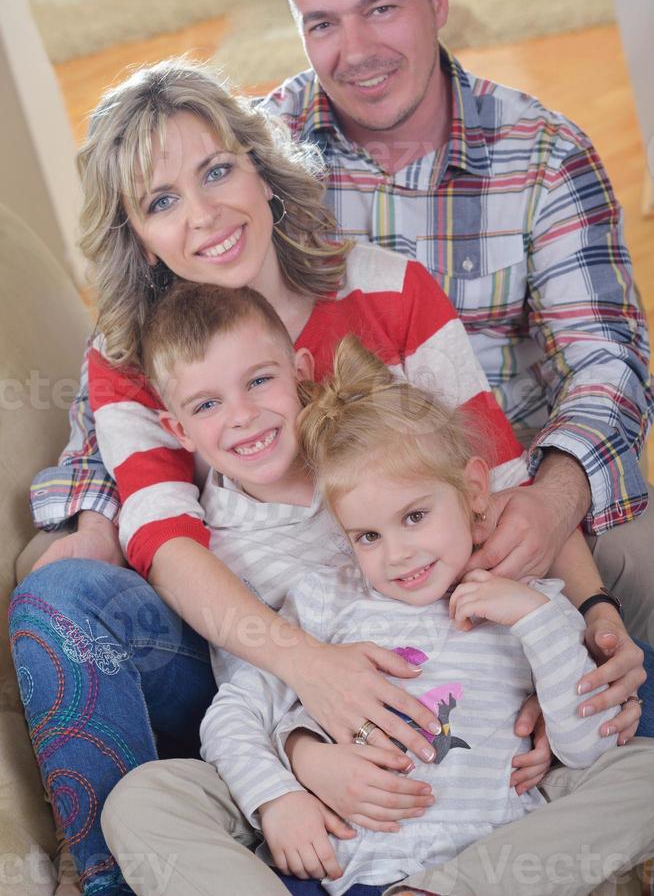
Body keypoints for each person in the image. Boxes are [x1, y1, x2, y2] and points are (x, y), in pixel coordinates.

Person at [12, 57, 616, 895]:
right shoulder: (126, 363)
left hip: (430, 647)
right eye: (162, 201)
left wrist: (580, 623)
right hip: (240, 663)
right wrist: (307, 693)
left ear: (260, 167)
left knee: (631, 718)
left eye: (217, 170)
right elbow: (164, 544)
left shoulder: (388, 289)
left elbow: (499, 488)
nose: (206, 215)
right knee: (62, 604)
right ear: (138, 237)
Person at [101, 290, 654, 896]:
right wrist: (282, 789)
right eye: (366, 535)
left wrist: (539, 619)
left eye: (415, 517)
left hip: (486, 847)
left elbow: (579, 748)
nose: (397, 554)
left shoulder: (526, 596)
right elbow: (239, 711)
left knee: (643, 773)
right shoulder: (325, 598)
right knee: (139, 800)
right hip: (340, 849)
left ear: (473, 493)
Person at [256, 0, 654, 644]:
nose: (357, 53)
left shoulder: (546, 156)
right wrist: (89, 510)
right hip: (344, 525)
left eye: (381, 8)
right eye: (323, 24)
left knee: (642, 565)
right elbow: (153, 330)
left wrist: (555, 498)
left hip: (515, 496)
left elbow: (610, 360)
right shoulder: (258, 164)